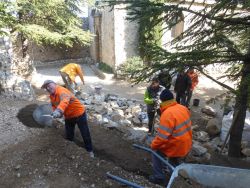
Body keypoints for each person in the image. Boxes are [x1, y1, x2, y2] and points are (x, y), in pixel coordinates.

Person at [149, 89, 192, 185]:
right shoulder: (182, 108)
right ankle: (179, 179)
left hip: (177, 145)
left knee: (156, 152)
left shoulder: (167, 114)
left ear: (162, 101)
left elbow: (161, 138)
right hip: (187, 142)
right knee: (173, 161)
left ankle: (159, 177)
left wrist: (153, 145)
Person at [41, 80, 94, 158]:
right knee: (69, 134)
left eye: (49, 85)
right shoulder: (52, 96)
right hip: (69, 116)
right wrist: (55, 113)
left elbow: (64, 101)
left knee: (85, 133)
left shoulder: (61, 90)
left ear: (54, 84)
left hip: (79, 114)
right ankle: (70, 149)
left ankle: (90, 151)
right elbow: (54, 106)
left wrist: (59, 111)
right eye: (46, 87)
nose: (48, 88)